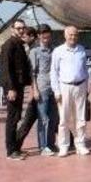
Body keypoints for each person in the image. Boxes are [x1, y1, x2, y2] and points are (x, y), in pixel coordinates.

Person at [50, 25, 90, 157]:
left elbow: (85, 69)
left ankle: (81, 144)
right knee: (64, 119)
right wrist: (56, 90)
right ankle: (64, 145)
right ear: (65, 35)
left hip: (80, 86)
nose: (73, 37)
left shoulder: (81, 49)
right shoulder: (58, 51)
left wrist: (87, 84)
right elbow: (54, 72)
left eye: (75, 35)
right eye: (70, 35)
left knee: (80, 118)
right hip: (64, 87)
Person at [0, 20, 34, 160]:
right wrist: (11, 88)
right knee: (12, 118)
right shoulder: (9, 45)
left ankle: (15, 148)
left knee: (16, 116)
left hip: (18, 86)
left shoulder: (18, 44)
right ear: (12, 29)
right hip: (13, 87)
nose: (21, 31)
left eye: (22, 28)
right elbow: (6, 68)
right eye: (18, 28)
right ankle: (11, 150)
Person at [28, 24, 59, 155]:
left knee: (53, 117)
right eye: (42, 33)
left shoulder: (54, 50)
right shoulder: (35, 52)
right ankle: (43, 146)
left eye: (47, 33)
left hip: (54, 87)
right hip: (42, 87)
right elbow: (32, 72)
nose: (45, 36)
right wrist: (34, 89)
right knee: (43, 118)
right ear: (39, 36)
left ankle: (51, 144)